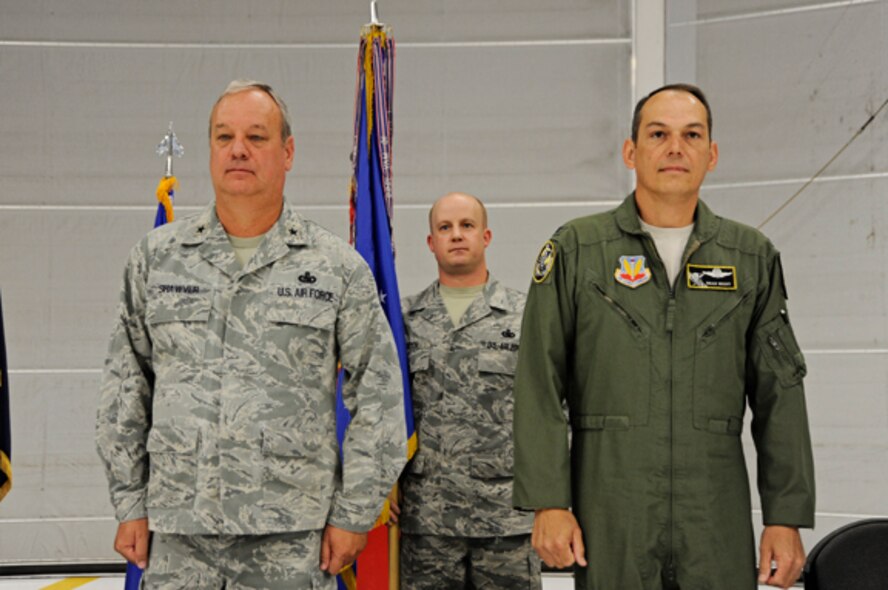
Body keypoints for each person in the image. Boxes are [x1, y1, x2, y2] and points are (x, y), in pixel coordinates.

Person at [95, 80, 407, 589]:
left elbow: (379, 397)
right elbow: (125, 390)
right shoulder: (156, 259)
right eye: (224, 137)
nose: (238, 149)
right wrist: (129, 500)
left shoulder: (335, 268)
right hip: (178, 537)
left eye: (256, 137)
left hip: (292, 539)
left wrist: (353, 514)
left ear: (287, 152)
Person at [512, 84, 815, 590]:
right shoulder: (578, 250)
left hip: (713, 509)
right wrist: (549, 501)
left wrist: (785, 517)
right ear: (631, 151)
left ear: (711, 154)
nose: (676, 147)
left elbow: (779, 393)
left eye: (691, 135)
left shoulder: (750, 257)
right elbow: (538, 380)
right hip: (610, 505)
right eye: (658, 134)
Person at [393, 192, 540, 589]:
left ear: (486, 236)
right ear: (430, 242)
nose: (456, 235)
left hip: (506, 522)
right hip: (428, 523)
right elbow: (384, 410)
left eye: (467, 226)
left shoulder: (528, 316)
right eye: (445, 228)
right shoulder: (403, 321)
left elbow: (551, 412)